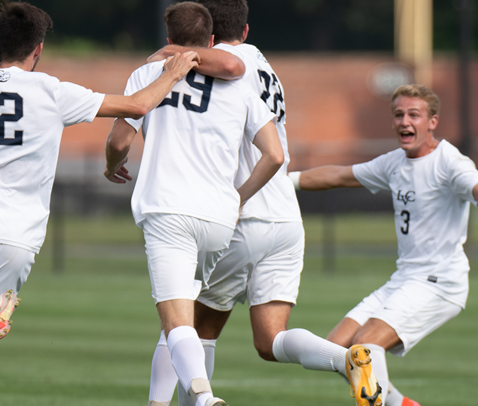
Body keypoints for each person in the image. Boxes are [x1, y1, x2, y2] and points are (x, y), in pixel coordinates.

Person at [0, 1, 200, 405]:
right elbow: (137, 106)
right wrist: (173, 72)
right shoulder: (53, 91)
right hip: (20, 239)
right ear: (38, 49)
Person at [140, 1, 384, 406]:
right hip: (285, 219)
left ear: (210, 38)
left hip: (242, 214)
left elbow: (221, 73)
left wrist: (165, 53)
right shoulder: (266, 66)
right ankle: (344, 359)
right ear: (248, 30)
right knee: (270, 340)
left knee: (184, 328)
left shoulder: (225, 64)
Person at [291, 84, 478, 406]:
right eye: (399, 115)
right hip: (405, 279)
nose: (405, 121)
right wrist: (282, 181)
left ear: (432, 121)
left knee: (365, 346)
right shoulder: (394, 163)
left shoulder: (449, 162)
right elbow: (337, 175)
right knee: (336, 349)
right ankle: (400, 404)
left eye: (414, 115)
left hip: (440, 282)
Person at [103, 3, 285, 406]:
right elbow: (274, 155)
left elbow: (118, 141)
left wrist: (111, 167)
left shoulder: (149, 72)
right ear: (212, 41)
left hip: (168, 210)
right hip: (220, 218)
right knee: (180, 318)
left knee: (176, 322)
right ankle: (158, 403)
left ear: (169, 41)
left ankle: (204, 397)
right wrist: (238, 198)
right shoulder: (240, 84)